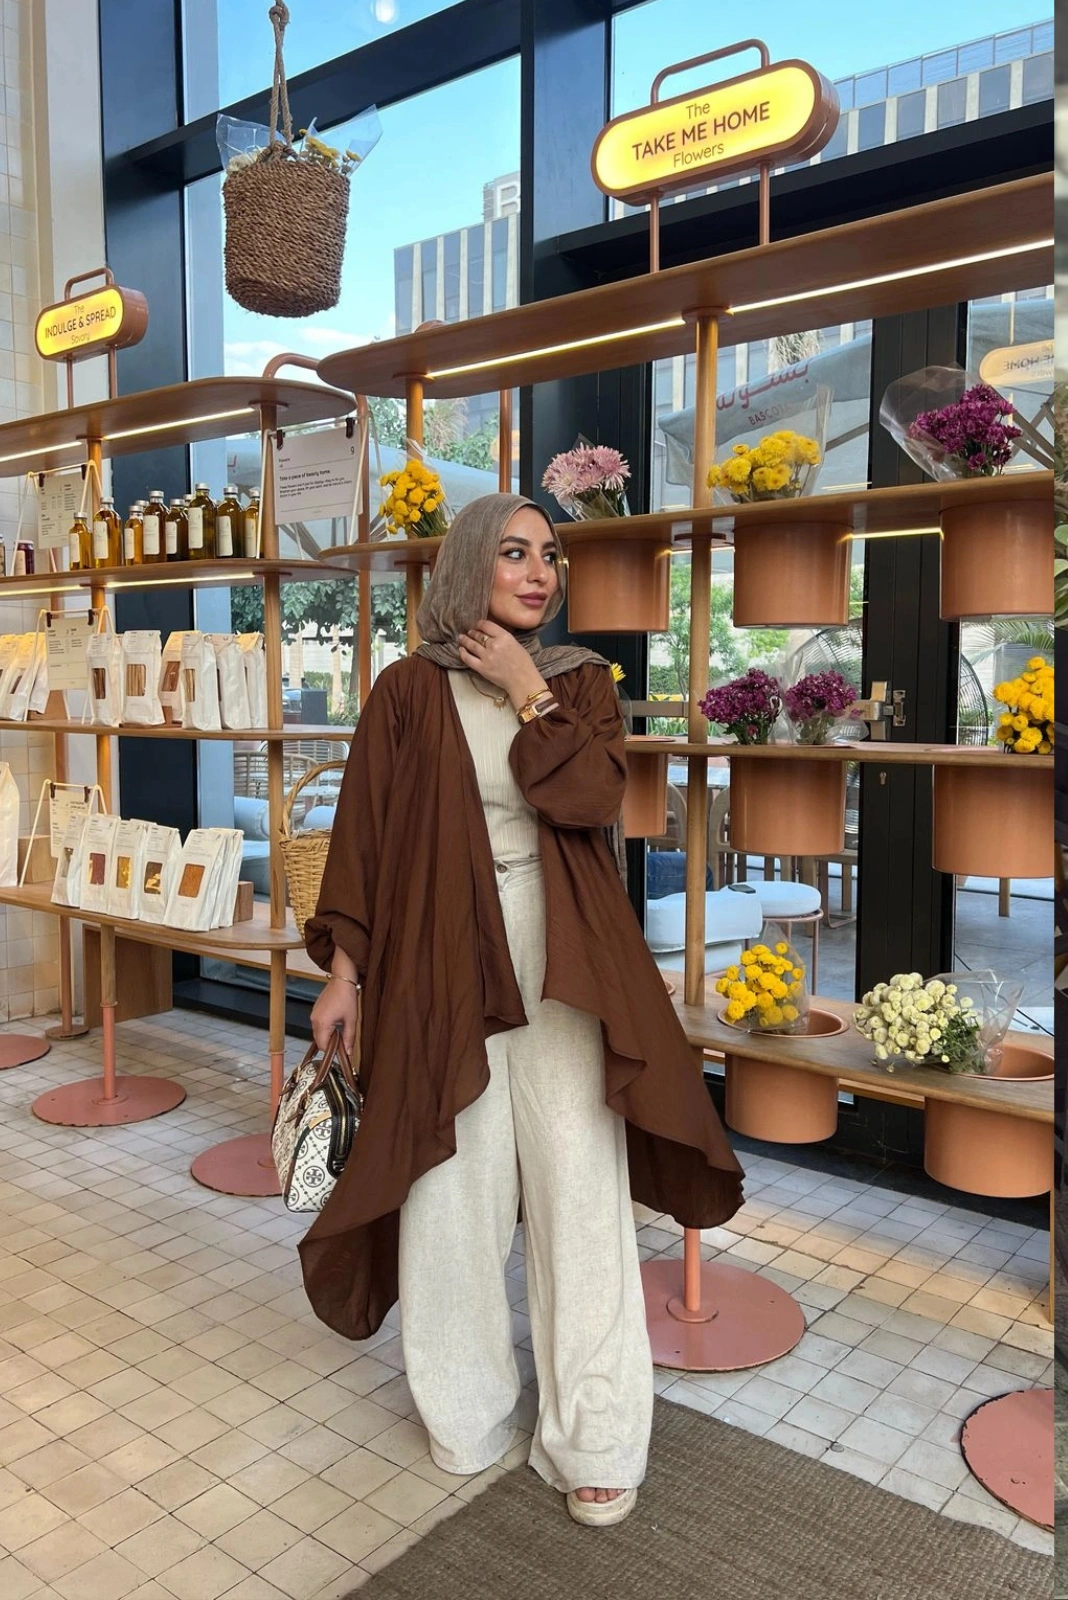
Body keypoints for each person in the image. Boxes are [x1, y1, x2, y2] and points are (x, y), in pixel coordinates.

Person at [302, 492, 743, 1528]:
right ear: (469, 565)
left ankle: (595, 1435)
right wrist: (345, 975)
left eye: (550, 553)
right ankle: (465, 1407)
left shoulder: (576, 681)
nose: (539, 571)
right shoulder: (407, 690)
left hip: (565, 958)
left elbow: (591, 800)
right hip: (435, 960)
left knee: (579, 1189)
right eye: (514, 552)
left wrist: (523, 687)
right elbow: (364, 840)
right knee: (449, 1188)